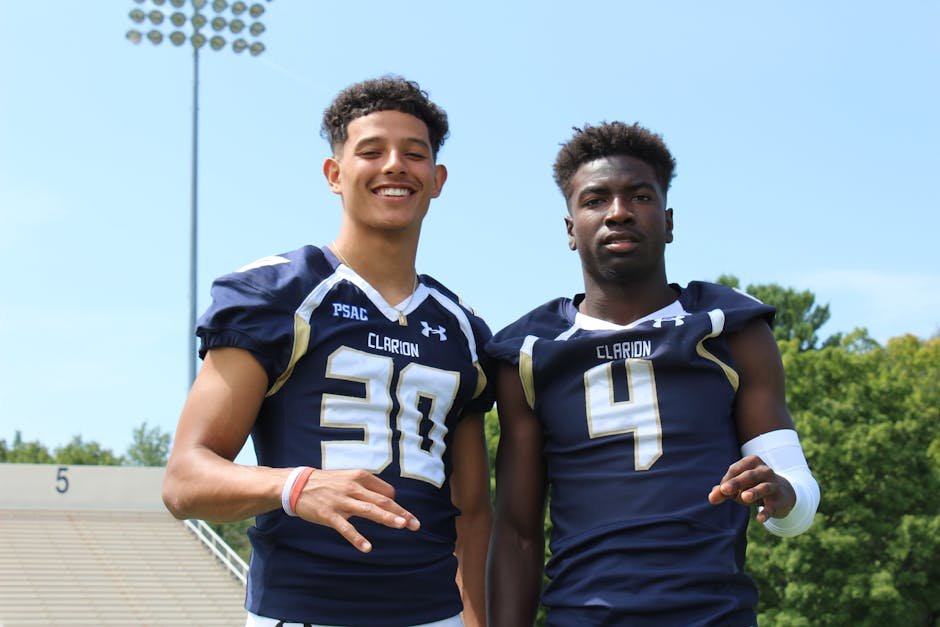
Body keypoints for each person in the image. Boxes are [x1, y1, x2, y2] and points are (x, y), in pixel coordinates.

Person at [162, 77, 493, 627]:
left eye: (414, 154)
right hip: (303, 610)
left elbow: (474, 511)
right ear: (334, 174)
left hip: (434, 615)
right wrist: (295, 486)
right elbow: (184, 481)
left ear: (437, 180)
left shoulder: (462, 327)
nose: (394, 165)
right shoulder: (277, 294)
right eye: (371, 151)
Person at [485, 121, 820, 626]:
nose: (618, 212)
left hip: (715, 615)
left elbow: (796, 499)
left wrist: (781, 493)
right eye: (596, 200)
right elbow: (516, 531)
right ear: (571, 229)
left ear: (667, 222)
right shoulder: (529, 351)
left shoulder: (730, 328)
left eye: (638, 196)